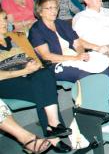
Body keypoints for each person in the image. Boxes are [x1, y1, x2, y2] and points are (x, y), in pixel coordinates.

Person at [0, 9, 71, 152]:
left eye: (4, 18)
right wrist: (24, 71)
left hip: (28, 74)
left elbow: (33, 57)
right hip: (6, 81)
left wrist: (35, 64)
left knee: (45, 74)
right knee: (45, 91)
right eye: (0, 20)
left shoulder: (16, 36)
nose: (4, 22)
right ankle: (53, 136)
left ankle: (53, 123)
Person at [29, 0, 109, 92]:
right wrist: (76, 58)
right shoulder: (36, 30)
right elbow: (46, 56)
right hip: (56, 65)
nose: (54, 11)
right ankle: (93, 104)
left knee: (103, 67)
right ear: (40, 12)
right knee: (87, 74)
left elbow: (78, 43)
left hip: (75, 58)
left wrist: (81, 55)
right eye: (49, 8)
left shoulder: (62, 23)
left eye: (55, 7)